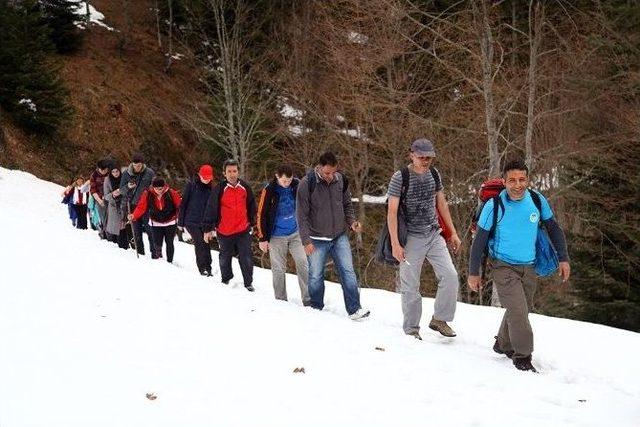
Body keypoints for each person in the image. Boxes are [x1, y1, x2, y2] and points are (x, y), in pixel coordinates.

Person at [468, 159, 570, 372]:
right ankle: (522, 356)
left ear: (528, 179)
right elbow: (479, 242)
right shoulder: (494, 206)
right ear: (504, 181)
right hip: (503, 266)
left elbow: (554, 228)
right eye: (512, 180)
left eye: (522, 179)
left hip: (529, 266)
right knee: (518, 311)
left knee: (521, 309)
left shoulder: (536, 199)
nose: (518, 185)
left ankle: (503, 344)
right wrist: (473, 273)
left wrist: (563, 258)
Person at [387, 138, 461, 339]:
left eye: (429, 157)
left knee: (450, 276)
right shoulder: (400, 177)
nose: (426, 161)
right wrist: (396, 243)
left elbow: (442, 204)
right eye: (421, 157)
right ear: (412, 154)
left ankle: (440, 319)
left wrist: (452, 232)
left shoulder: (434, 174)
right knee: (411, 286)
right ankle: (411, 330)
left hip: (433, 233)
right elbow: (392, 212)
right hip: (411, 237)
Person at [296, 152, 370, 320]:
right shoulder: (307, 184)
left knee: (348, 272)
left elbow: (346, 204)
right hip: (316, 238)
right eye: (327, 173)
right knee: (315, 275)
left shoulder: (341, 180)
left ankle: (354, 309)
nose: (330, 176)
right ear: (319, 167)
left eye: (333, 172)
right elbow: (301, 215)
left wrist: (352, 222)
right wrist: (305, 241)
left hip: (339, 236)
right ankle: (316, 307)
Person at [256, 164, 311, 306]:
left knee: (303, 263)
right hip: (276, 235)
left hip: (295, 233)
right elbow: (261, 214)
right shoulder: (269, 190)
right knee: (278, 268)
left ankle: (308, 299)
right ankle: (281, 300)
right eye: (284, 181)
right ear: (277, 177)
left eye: (289, 180)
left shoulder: (297, 185)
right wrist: (262, 238)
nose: (287, 183)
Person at [203, 160, 257, 291]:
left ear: (238, 172)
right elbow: (211, 209)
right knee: (225, 257)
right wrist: (207, 229)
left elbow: (251, 206)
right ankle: (226, 279)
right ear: (224, 173)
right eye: (229, 171)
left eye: (234, 171)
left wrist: (252, 223)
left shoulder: (245, 187)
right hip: (224, 231)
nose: (232, 174)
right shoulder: (219, 189)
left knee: (246, 256)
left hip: (243, 229)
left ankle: (248, 283)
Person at [128, 178, 182, 263]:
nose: (158, 191)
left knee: (169, 242)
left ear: (164, 187)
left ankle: (170, 262)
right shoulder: (148, 193)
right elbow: (141, 207)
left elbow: (179, 206)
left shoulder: (171, 192)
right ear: (153, 187)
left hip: (170, 221)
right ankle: (158, 259)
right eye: (156, 189)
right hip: (155, 222)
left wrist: (182, 219)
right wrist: (134, 215)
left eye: (160, 189)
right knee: (157, 243)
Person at [178, 165, 215, 276]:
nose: (206, 179)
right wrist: (180, 222)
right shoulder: (191, 186)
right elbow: (183, 203)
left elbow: (212, 209)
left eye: (208, 178)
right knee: (199, 242)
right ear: (199, 175)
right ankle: (202, 268)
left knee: (206, 243)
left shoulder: (211, 189)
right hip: (191, 221)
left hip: (205, 223)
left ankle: (209, 268)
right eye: (204, 177)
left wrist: (212, 225)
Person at [120, 153, 155, 256]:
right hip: (132, 206)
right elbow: (121, 190)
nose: (137, 167)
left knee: (150, 231)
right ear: (132, 164)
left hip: (147, 206)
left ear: (142, 164)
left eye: (139, 165)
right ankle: (140, 253)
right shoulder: (126, 173)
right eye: (135, 165)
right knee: (136, 232)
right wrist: (128, 187)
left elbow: (155, 186)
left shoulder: (149, 173)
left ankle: (155, 254)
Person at [103, 164, 130, 249]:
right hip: (114, 206)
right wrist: (113, 195)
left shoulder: (124, 178)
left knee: (124, 228)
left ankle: (125, 247)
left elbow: (130, 189)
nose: (115, 173)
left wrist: (123, 192)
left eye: (117, 171)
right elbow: (106, 196)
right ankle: (116, 247)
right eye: (113, 172)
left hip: (125, 205)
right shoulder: (107, 180)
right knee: (115, 229)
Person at [89, 159, 110, 238]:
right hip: (99, 198)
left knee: (110, 217)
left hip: (110, 198)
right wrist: (99, 200)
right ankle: (105, 234)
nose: (104, 171)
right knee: (103, 218)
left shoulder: (110, 173)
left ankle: (112, 235)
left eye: (105, 169)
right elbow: (93, 190)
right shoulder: (94, 175)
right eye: (102, 170)